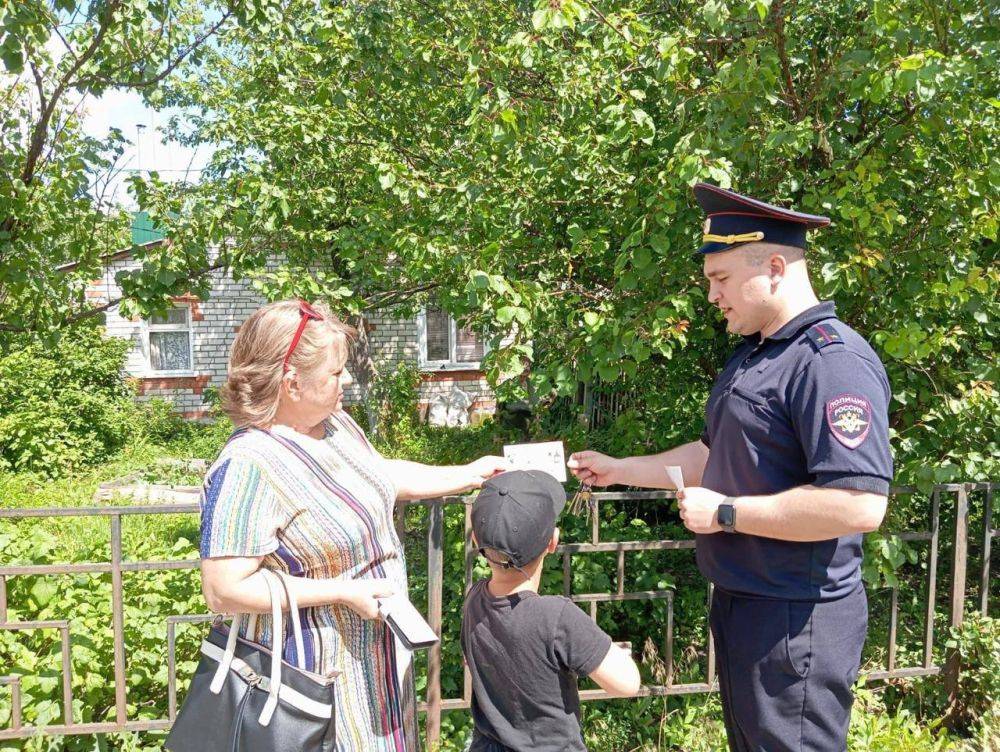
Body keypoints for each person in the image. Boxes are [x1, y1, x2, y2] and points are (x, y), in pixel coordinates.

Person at [569, 183, 893, 751]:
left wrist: (724, 513)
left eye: (720, 280)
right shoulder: (756, 354)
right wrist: (619, 467)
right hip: (748, 606)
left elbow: (859, 503)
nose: (712, 297)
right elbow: (710, 457)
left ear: (773, 267)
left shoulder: (830, 362)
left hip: (797, 619)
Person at [198, 299, 510, 752]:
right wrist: (341, 591)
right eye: (335, 372)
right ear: (292, 383)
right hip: (311, 684)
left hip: (374, 667)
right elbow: (222, 589)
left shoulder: (335, 425)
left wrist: (469, 472)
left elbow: (378, 477)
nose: (347, 379)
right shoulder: (249, 465)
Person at [461, 469, 641, 752]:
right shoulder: (556, 617)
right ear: (553, 542)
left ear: (476, 542)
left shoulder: (473, 601)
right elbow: (627, 683)